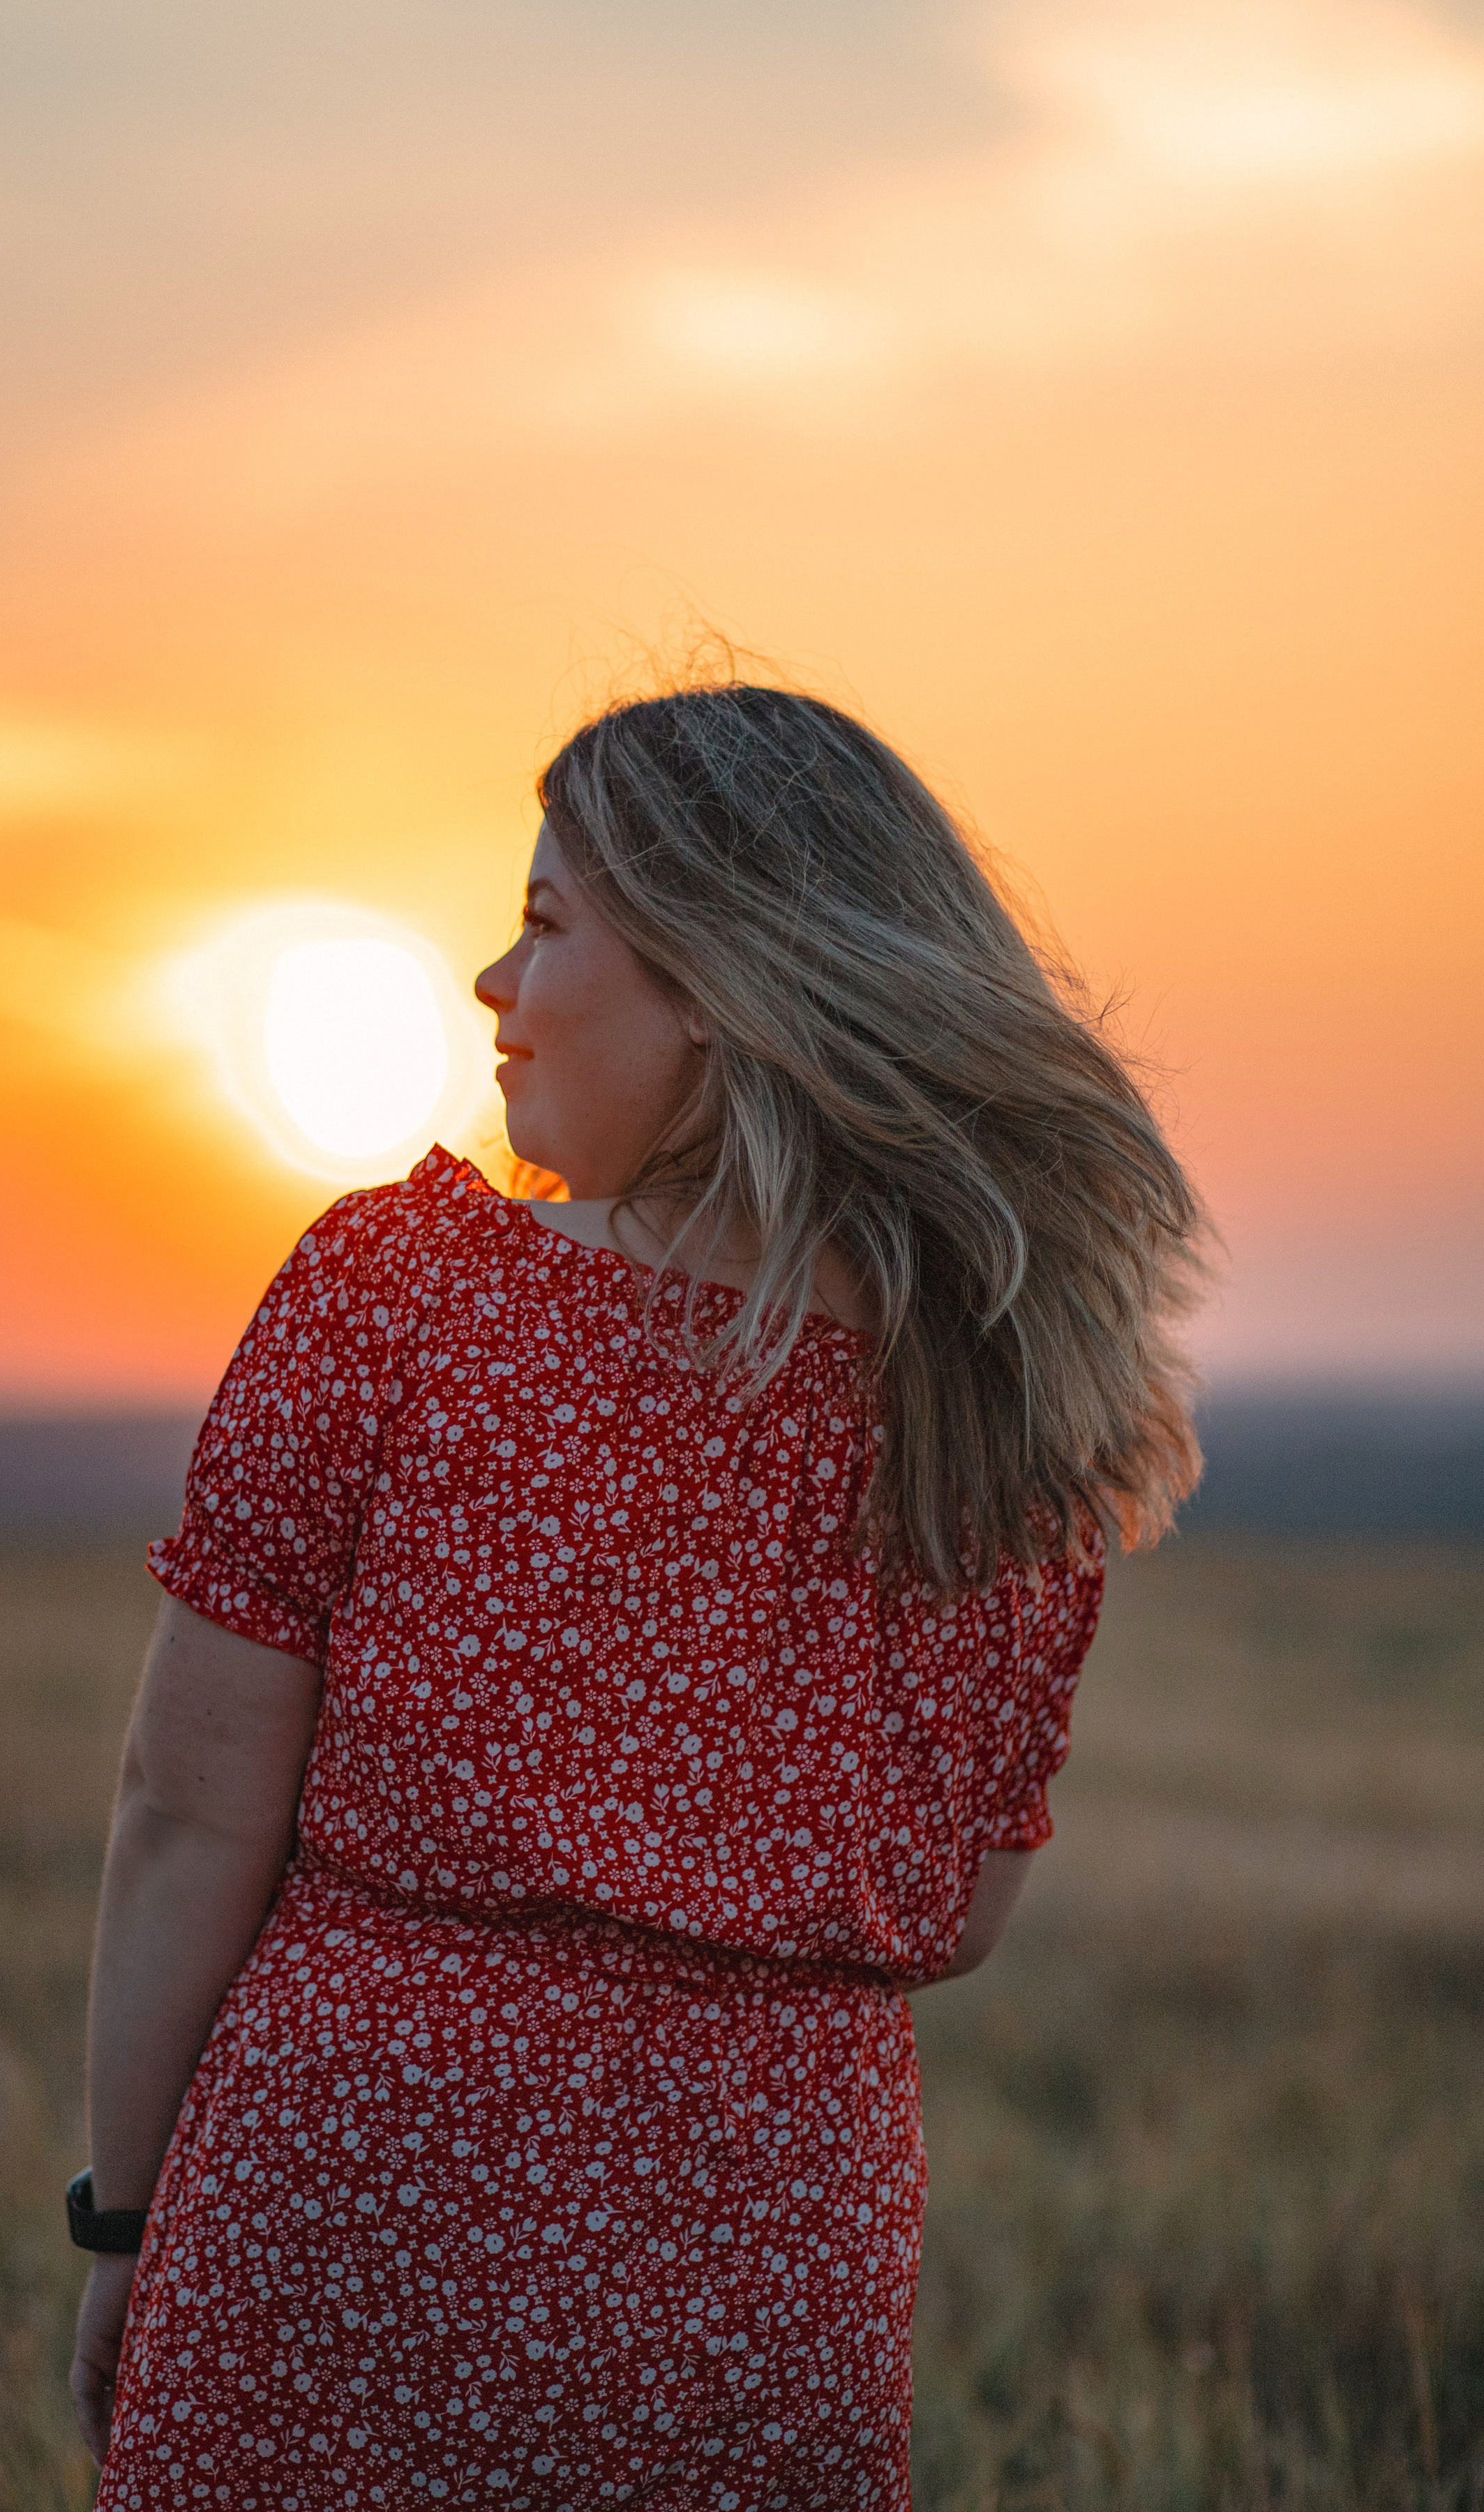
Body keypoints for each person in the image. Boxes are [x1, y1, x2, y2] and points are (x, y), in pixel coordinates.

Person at [70, 682, 1204, 2511]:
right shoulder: (1012, 1410)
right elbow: (966, 1907)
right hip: (766, 2297)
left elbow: (187, 1815)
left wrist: (125, 2216)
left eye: (542, 923)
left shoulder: (399, 1298)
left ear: (715, 982)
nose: (488, 987)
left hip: (346, 2246)